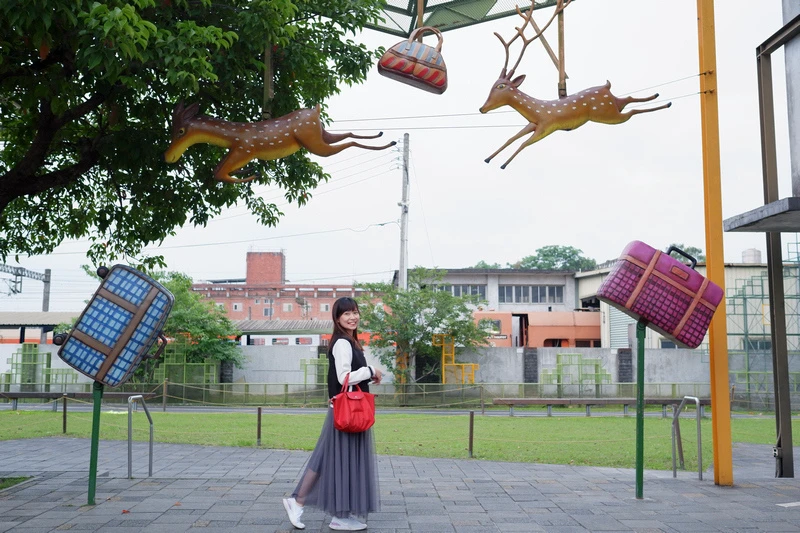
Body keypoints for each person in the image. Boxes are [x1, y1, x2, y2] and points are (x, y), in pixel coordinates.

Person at [283, 297, 382, 531]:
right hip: (346, 412)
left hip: (345, 410)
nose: (353, 317)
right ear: (337, 318)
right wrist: (370, 370)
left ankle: (303, 503)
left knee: (332, 459)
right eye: (347, 313)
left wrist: (369, 374)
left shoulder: (349, 341)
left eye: (355, 312)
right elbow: (343, 377)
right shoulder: (342, 343)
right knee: (336, 460)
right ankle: (320, 509)